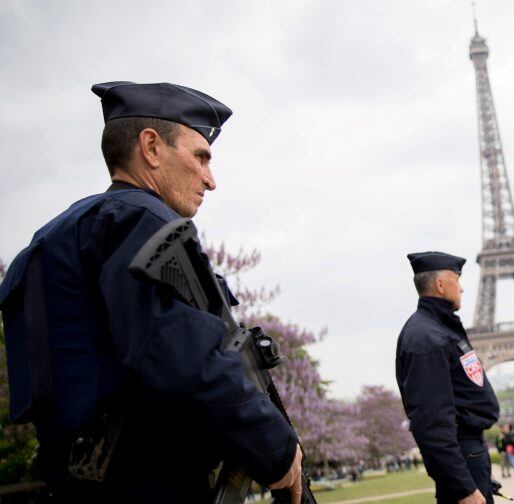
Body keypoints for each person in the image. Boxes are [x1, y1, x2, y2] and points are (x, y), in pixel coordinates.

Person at [0, 82, 303, 503]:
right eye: (200, 156)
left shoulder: (48, 242)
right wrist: (275, 446)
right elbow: (178, 351)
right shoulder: (140, 217)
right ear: (152, 148)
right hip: (151, 480)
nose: (210, 180)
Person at [396, 252, 500, 504]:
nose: (462, 288)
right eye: (457, 280)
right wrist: (462, 486)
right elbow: (431, 422)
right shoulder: (427, 337)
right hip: (463, 451)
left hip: (469, 453)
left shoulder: (437, 329)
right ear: (441, 285)